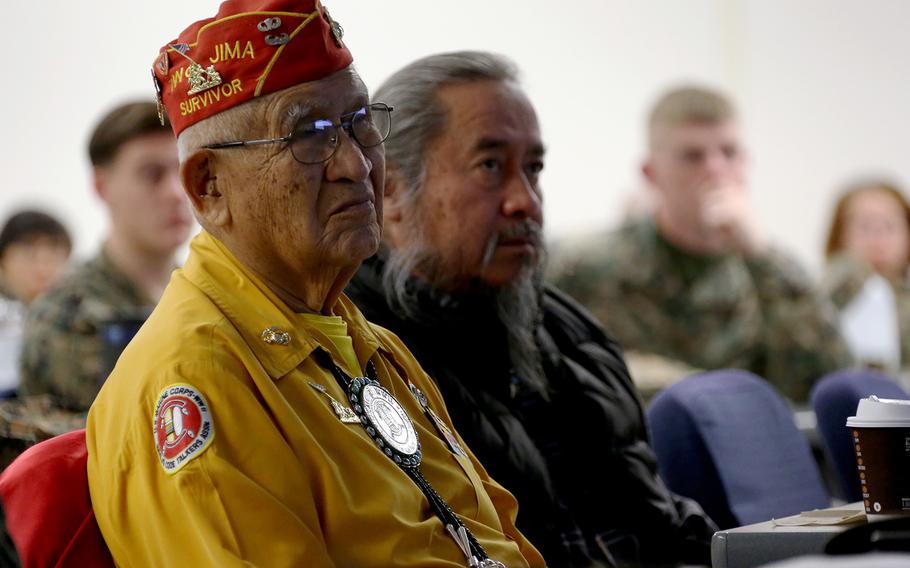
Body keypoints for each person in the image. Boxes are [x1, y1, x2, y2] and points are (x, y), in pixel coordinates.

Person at [86, 3, 543, 567]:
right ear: (209, 188)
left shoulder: (373, 345)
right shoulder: (192, 379)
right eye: (310, 135)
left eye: (361, 124)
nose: (354, 163)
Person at [345, 51, 716, 568]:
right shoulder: (359, 354)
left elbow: (659, 524)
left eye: (533, 169)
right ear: (391, 191)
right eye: (490, 166)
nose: (525, 201)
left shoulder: (570, 331)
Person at [553, 85, 851, 403]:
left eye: (729, 152)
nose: (715, 169)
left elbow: (831, 381)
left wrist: (761, 253)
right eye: (692, 156)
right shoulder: (589, 263)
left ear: (747, 162)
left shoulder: (768, 274)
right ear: (651, 173)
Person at [19, 101, 193, 411]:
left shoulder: (205, 295)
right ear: (102, 186)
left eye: (183, 170)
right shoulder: (67, 317)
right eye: (151, 174)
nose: (175, 192)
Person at [823, 180, 910, 374]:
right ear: (839, 235)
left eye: (889, 225)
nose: (878, 241)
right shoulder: (819, 298)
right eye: (865, 226)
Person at [0, 210, 72, 396]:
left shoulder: (79, 322)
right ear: (3, 260)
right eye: (29, 255)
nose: (43, 269)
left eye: (54, 256)